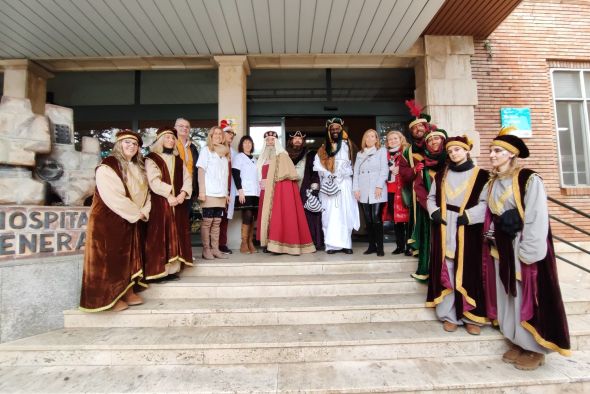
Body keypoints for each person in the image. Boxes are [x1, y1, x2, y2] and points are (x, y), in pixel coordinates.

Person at [482, 127, 570, 370]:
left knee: (528, 296)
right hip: (502, 247)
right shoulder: (493, 182)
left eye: (497, 151)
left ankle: (535, 348)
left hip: (523, 246)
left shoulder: (528, 178)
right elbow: (489, 213)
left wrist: (529, 251)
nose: (492, 155)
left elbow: (536, 216)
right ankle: (518, 341)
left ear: (511, 154)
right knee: (509, 295)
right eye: (491, 151)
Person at [80, 130, 150, 312]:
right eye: (127, 142)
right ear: (119, 144)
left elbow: (146, 193)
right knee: (109, 259)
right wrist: (136, 213)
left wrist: (144, 211)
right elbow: (113, 196)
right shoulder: (108, 166)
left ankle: (126, 291)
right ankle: (109, 297)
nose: (131, 146)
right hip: (109, 219)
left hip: (130, 218)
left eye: (135, 144)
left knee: (127, 257)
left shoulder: (137, 167)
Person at [426, 135, 489, 336]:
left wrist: (470, 216)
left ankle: (471, 317)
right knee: (447, 268)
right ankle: (450, 316)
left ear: (467, 150)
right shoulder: (441, 175)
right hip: (445, 227)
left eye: (458, 150)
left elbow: (486, 203)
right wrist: (433, 211)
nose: (454, 154)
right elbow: (431, 198)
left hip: (467, 228)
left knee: (470, 270)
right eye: (451, 151)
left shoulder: (482, 176)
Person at [144, 127, 193, 282]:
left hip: (177, 203)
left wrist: (183, 193)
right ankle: (159, 271)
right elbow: (153, 180)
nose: (171, 141)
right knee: (161, 236)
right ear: (160, 140)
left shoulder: (178, 160)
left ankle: (173, 270)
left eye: (173, 138)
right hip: (160, 203)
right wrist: (169, 195)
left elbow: (187, 178)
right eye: (167, 138)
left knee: (176, 234)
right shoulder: (152, 158)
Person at [256, 130, 315, 255]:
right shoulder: (261, 158)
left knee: (276, 219)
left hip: (276, 194)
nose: (270, 142)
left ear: (276, 141)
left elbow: (286, 179)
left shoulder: (282, 155)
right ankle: (267, 243)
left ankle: (277, 245)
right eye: (267, 140)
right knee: (265, 218)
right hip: (264, 193)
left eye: (272, 139)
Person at [314, 117, 360, 254]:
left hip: (345, 183)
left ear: (341, 129)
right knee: (329, 214)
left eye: (337, 128)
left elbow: (355, 164)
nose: (335, 131)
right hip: (329, 185)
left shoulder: (350, 146)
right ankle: (331, 245)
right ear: (329, 131)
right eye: (332, 129)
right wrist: (328, 175)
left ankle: (346, 244)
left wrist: (343, 173)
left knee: (345, 213)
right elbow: (317, 165)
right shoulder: (323, 149)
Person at [408, 128, 448, 281]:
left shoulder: (451, 160)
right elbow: (419, 187)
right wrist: (431, 208)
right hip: (428, 211)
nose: (433, 142)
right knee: (429, 243)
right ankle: (428, 272)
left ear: (443, 140)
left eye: (436, 139)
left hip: (449, 209)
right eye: (430, 140)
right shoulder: (423, 164)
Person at [399, 100, 431, 260]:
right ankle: (417, 247)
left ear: (426, 127)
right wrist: (414, 170)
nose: (418, 130)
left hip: (437, 190)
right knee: (419, 220)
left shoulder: (436, 143)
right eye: (414, 128)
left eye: (420, 127)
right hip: (418, 194)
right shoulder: (408, 152)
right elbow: (403, 173)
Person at [196, 126, 230, 260]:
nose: (217, 136)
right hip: (209, 192)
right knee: (207, 222)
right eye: (215, 134)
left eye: (220, 134)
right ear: (210, 136)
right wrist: (202, 191)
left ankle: (215, 249)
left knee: (217, 222)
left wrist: (226, 193)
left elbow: (225, 175)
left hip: (221, 194)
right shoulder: (206, 150)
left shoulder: (225, 153)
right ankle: (206, 250)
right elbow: (201, 171)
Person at [353, 129, 388, 256]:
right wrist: (355, 189)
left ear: (376, 139)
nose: (369, 138)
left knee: (376, 218)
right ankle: (371, 245)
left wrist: (379, 186)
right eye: (367, 136)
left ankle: (380, 247)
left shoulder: (381, 151)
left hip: (376, 188)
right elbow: (355, 172)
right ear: (364, 139)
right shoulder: (360, 153)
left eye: (372, 136)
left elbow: (384, 169)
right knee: (368, 219)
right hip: (363, 189)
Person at [286, 130, 324, 250]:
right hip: (289, 191)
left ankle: (310, 242)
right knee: (291, 217)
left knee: (308, 216)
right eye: (295, 138)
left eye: (300, 139)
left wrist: (314, 189)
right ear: (291, 141)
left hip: (305, 189)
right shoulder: (285, 155)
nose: (297, 140)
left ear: (303, 141)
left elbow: (315, 174)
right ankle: (292, 242)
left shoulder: (310, 155)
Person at [232, 135, 259, 253]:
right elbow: (235, 174)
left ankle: (250, 242)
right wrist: (240, 190)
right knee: (247, 215)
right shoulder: (239, 157)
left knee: (253, 216)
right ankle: (244, 243)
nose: (248, 145)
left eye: (250, 143)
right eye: (245, 143)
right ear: (241, 145)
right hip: (245, 191)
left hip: (255, 192)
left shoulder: (255, 159)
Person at [384, 131, 410, 255]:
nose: (392, 141)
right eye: (390, 139)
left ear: (401, 139)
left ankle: (409, 246)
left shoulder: (406, 152)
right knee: (396, 220)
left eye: (395, 138)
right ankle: (400, 246)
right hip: (389, 190)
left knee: (407, 220)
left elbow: (412, 169)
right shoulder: (385, 154)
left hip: (403, 190)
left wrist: (402, 168)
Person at [218, 119, 237, 254]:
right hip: (218, 188)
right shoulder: (215, 148)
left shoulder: (234, 152)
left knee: (224, 217)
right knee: (214, 218)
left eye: (232, 134)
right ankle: (212, 245)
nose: (231, 135)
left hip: (230, 188)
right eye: (228, 133)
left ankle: (222, 244)